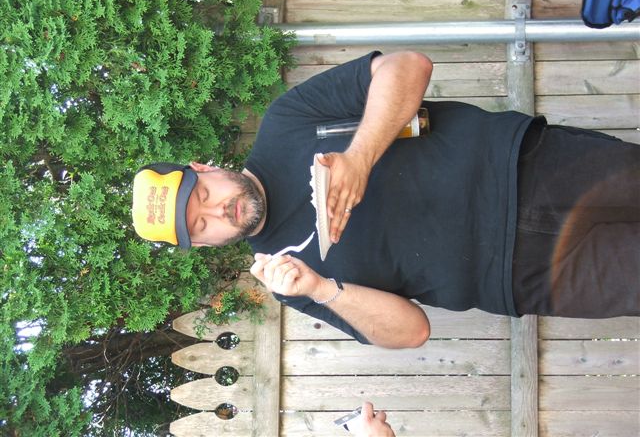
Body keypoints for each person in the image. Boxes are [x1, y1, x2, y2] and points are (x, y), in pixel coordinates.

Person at [132, 51, 640, 349]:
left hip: (529, 169)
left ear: (202, 168)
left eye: (203, 194)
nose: (217, 211)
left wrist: (359, 157)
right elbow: (410, 333)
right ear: (204, 245)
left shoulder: (285, 122)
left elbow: (408, 67)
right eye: (200, 225)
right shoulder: (288, 279)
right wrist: (321, 288)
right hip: (527, 272)